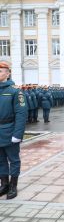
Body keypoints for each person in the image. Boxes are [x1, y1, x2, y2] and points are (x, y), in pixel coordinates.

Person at [0, 62, 27, 199]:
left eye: (1, 71)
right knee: (0, 160)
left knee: (13, 160)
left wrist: (18, 134)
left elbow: (21, 114)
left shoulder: (15, 91)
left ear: (7, 73)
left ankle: (13, 185)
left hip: (9, 130)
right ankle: (3, 184)